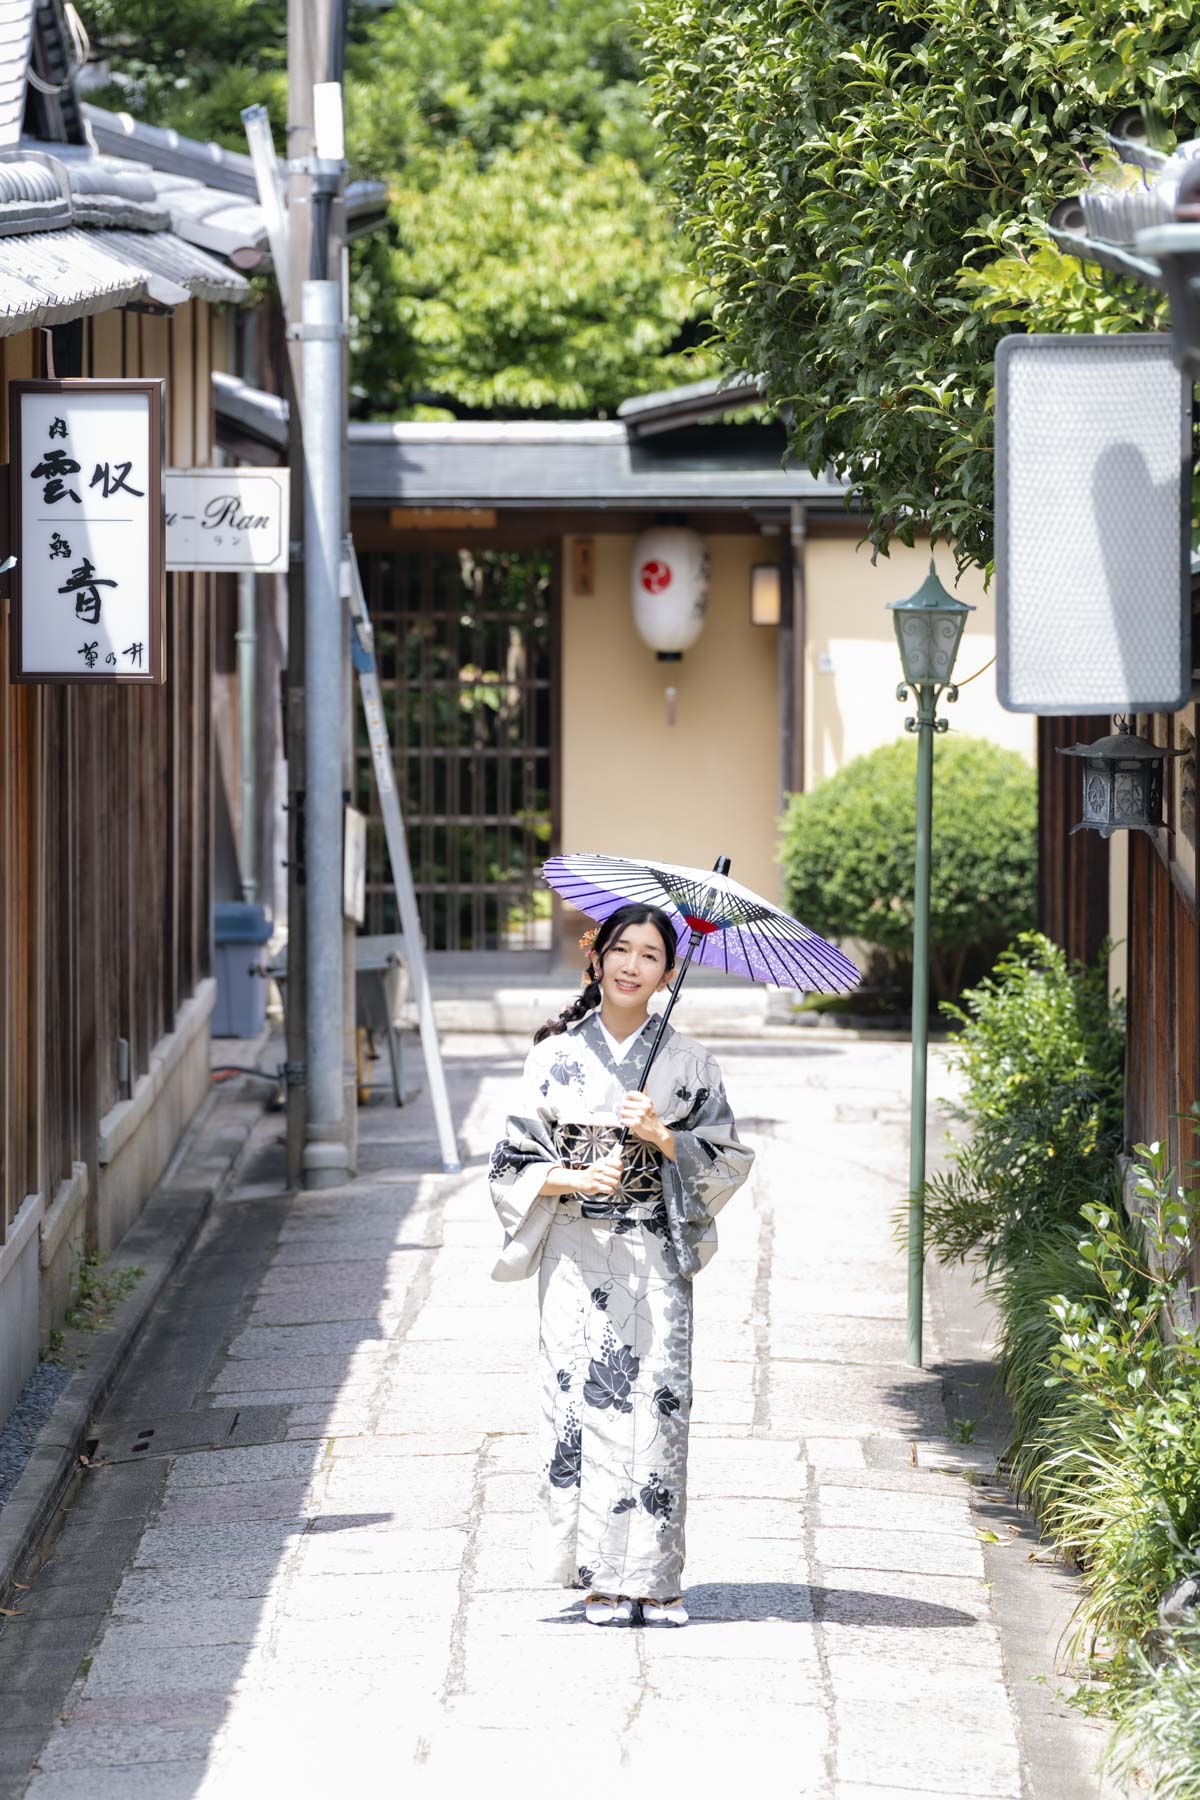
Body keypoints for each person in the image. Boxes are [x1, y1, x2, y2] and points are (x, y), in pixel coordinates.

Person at [488, 901, 754, 1627]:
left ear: (668, 974)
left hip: (653, 1249)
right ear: (596, 956)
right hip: (575, 1256)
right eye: (621, 950)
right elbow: (510, 1161)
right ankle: (601, 1579)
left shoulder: (691, 1063)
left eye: (650, 955)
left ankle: (657, 1579)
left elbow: (728, 1158)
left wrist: (664, 1136)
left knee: (657, 1406)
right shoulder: (552, 1055)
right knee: (581, 1405)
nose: (632, 965)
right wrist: (575, 1177)